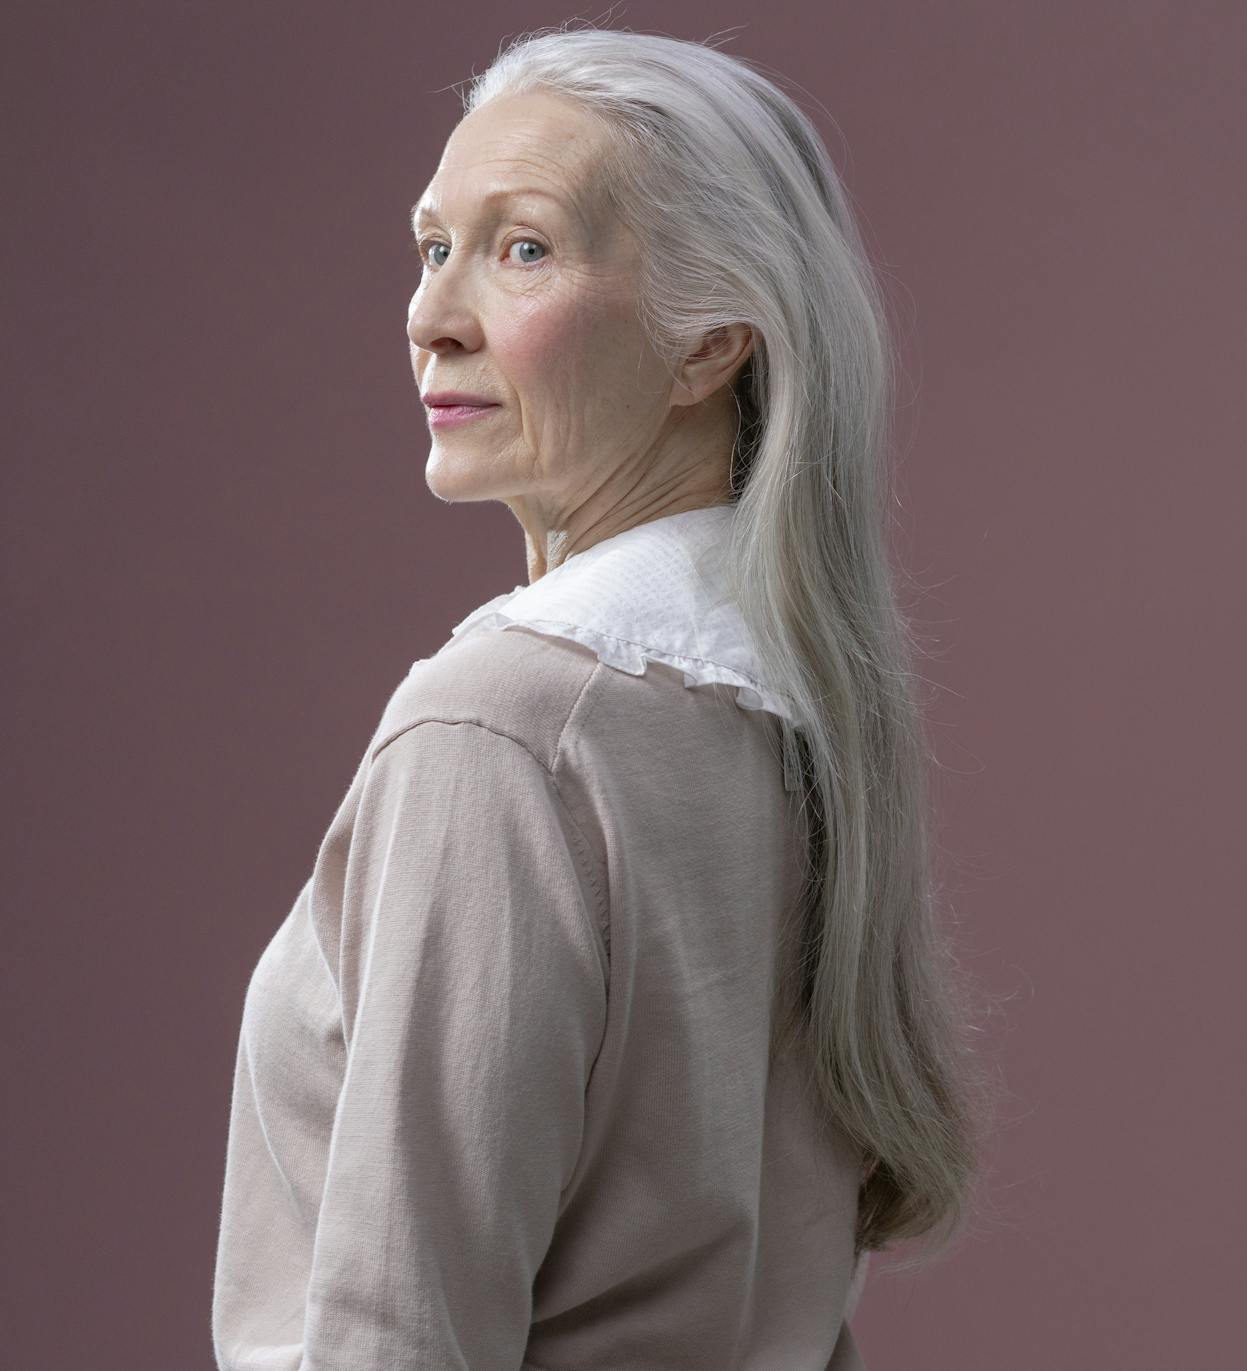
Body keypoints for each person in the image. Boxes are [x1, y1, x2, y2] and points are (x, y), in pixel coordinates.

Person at [210, 26, 996, 1371]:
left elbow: (399, 1339)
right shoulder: (793, 722)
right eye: (429, 245)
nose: (429, 315)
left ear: (712, 344)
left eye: (522, 249)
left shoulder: (501, 732)